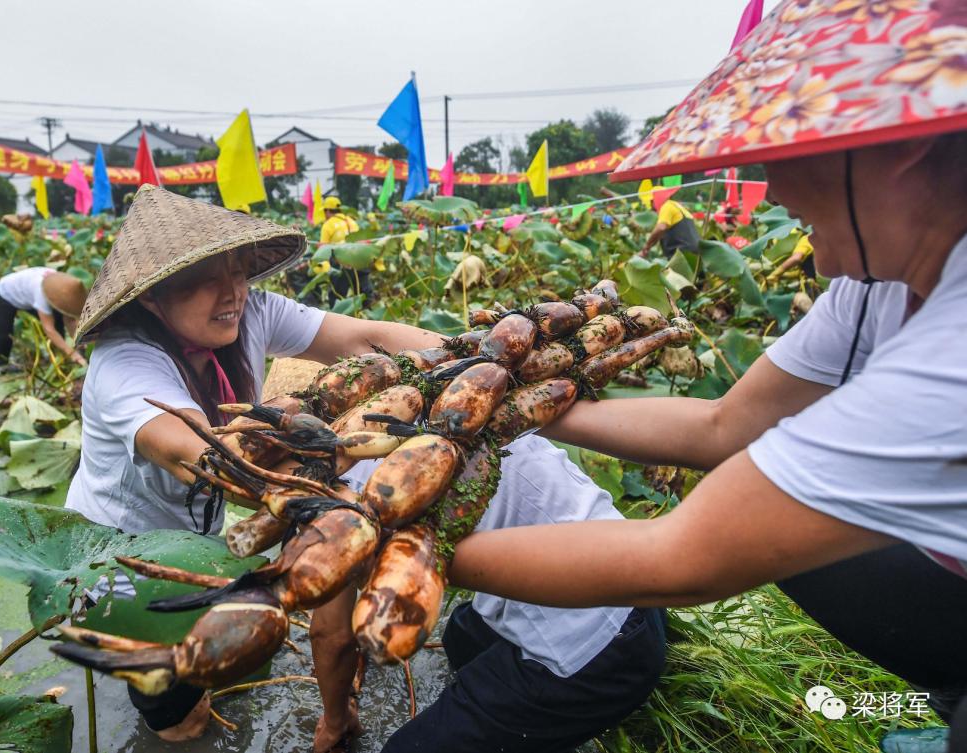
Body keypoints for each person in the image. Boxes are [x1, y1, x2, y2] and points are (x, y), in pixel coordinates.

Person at [448, 1, 967, 748]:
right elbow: (725, 425)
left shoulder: (953, 344)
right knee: (793, 538)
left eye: (778, 142)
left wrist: (411, 547)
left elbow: (682, 556)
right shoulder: (874, 282)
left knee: (763, 529)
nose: (768, 182)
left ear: (899, 139)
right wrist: (517, 406)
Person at [64, 184, 440, 741]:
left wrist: (460, 354)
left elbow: (365, 339)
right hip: (114, 561)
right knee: (179, 717)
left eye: (238, 271)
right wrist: (342, 449)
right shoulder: (124, 364)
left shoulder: (248, 310)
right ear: (150, 295)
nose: (232, 292)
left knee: (225, 655)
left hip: (196, 543)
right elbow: (204, 455)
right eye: (205, 278)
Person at [322, 434, 665, 753]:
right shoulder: (452, 386)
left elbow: (333, 637)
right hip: (637, 581)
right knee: (460, 635)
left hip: (601, 650)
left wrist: (335, 722)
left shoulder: (344, 506)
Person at [0, 267, 87, 366]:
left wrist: (81, 342)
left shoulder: (62, 285)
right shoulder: (40, 292)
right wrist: (73, 354)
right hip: (5, 294)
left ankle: (58, 358)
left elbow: (70, 319)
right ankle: (0, 364)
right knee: (5, 336)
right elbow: (49, 328)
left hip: (27, 292)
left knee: (58, 321)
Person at [319, 196, 371, 300]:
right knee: (364, 293)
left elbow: (323, 249)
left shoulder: (328, 225)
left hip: (342, 262)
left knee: (337, 295)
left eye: (324, 211)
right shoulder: (351, 221)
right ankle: (366, 312)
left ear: (328, 210)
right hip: (359, 260)